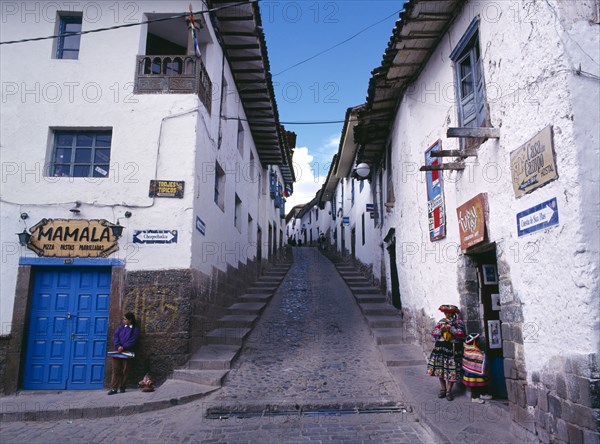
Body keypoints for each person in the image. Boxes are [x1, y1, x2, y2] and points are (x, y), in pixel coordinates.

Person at [426, 304, 466, 401]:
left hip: (452, 349)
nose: (447, 314)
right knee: (440, 369)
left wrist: (451, 329)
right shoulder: (441, 322)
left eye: (449, 313)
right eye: (446, 313)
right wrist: (440, 330)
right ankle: (443, 389)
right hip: (440, 348)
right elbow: (434, 333)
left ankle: (449, 391)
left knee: (451, 370)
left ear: (453, 313)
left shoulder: (458, 322)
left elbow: (461, 334)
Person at [108, 312, 139, 395]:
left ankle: (122, 387)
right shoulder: (121, 327)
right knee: (115, 370)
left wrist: (124, 347)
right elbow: (115, 336)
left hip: (127, 352)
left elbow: (133, 340)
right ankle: (114, 388)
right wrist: (118, 346)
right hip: (117, 351)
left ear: (130, 320)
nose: (123, 320)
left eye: (125, 319)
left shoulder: (134, 329)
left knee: (125, 370)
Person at [462, 333, 491, 403]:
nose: (479, 342)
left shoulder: (467, 348)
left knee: (480, 383)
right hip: (473, 372)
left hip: (473, 371)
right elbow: (479, 357)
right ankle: (474, 397)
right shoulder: (473, 350)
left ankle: (482, 394)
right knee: (474, 384)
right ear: (474, 342)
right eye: (477, 341)